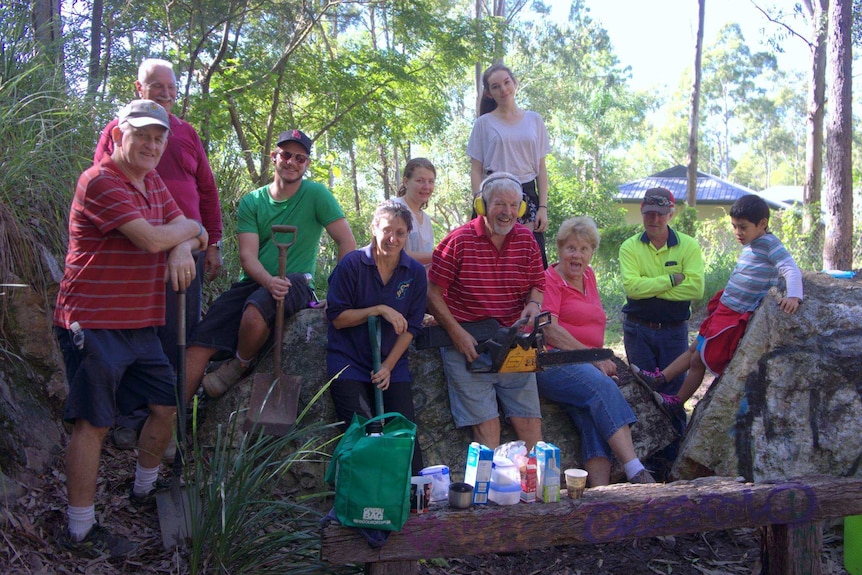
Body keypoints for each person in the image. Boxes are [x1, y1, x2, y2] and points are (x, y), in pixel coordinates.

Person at [54, 100, 208, 557]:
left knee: (165, 405)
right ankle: (79, 529)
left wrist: (184, 244)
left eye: (159, 138)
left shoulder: (152, 181)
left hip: (141, 323)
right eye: (143, 134)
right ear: (119, 134)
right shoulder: (101, 180)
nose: (152, 144)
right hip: (94, 322)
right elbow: (152, 237)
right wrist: (183, 238)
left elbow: (187, 229)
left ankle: (143, 491)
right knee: (94, 422)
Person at [94, 58, 223, 450]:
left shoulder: (186, 133)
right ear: (139, 87)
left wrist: (210, 242)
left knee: (177, 331)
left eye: (171, 87)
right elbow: (106, 181)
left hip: (190, 251)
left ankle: (169, 419)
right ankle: (131, 416)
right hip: (138, 251)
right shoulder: (118, 132)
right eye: (157, 86)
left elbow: (206, 189)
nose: (166, 93)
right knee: (136, 331)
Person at [185, 129, 356, 402]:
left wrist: (338, 293)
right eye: (286, 155)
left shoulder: (317, 195)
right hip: (255, 280)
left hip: (297, 281)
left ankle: (240, 364)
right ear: (274, 156)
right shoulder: (252, 201)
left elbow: (347, 242)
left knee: (255, 311)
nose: (292, 162)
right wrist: (268, 281)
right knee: (197, 345)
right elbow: (248, 257)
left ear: (306, 164)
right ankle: (171, 425)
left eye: (300, 158)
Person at [631, 194, 803, 412]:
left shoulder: (769, 244)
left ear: (762, 224)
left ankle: (677, 401)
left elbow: (789, 267)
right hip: (723, 308)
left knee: (698, 359)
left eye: (743, 227)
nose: (737, 233)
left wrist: (794, 295)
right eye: (734, 227)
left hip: (735, 314)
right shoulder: (753, 242)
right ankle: (659, 379)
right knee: (694, 348)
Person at [427, 172, 545, 450]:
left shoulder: (527, 242)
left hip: (513, 342)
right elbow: (432, 293)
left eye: (514, 205)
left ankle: (534, 491)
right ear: (482, 206)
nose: (507, 212)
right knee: (487, 430)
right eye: (500, 204)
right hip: (468, 344)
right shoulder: (457, 241)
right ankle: (489, 492)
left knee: (530, 426)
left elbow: (537, 284)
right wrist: (456, 333)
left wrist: (533, 303)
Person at [536, 217, 655, 486]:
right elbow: (549, 330)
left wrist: (594, 360)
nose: (577, 255)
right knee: (602, 388)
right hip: (553, 362)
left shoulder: (589, 276)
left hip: (585, 364)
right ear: (560, 250)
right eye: (571, 248)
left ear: (591, 253)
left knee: (591, 415)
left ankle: (599, 494)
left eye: (584, 249)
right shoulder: (550, 279)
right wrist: (594, 358)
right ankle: (635, 469)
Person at [326, 200, 427, 474]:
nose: (393, 238)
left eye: (401, 233)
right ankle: (361, 502)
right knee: (364, 433)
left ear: (408, 235)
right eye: (387, 230)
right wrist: (379, 309)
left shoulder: (415, 273)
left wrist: (388, 367)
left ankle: (411, 503)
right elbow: (336, 316)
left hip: (392, 363)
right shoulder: (353, 264)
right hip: (349, 361)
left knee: (403, 432)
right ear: (374, 228)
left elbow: (413, 327)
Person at [619, 187, 704, 478]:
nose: (653, 219)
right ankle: (648, 460)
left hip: (673, 332)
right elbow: (632, 289)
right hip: (637, 330)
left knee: (674, 394)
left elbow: (696, 288)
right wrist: (672, 278)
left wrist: (650, 286)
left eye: (659, 213)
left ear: (671, 214)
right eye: (648, 214)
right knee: (642, 394)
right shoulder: (630, 246)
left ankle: (674, 459)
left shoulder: (688, 245)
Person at [467, 64, 550, 268]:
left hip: (526, 194)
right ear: (489, 93)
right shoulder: (483, 123)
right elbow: (476, 169)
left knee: (529, 262)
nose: (503, 90)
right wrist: (480, 201)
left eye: (506, 82)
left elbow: (541, 168)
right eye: (496, 86)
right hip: (492, 195)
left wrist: (543, 207)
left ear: (515, 83)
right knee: (488, 260)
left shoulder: (534, 120)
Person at [393, 157, 436, 267]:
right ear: (406, 182)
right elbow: (392, 254)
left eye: (430, 181)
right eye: (420, 181)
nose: (426, 187)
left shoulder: (426, 219)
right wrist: (439, 256)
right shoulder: (393, 208)